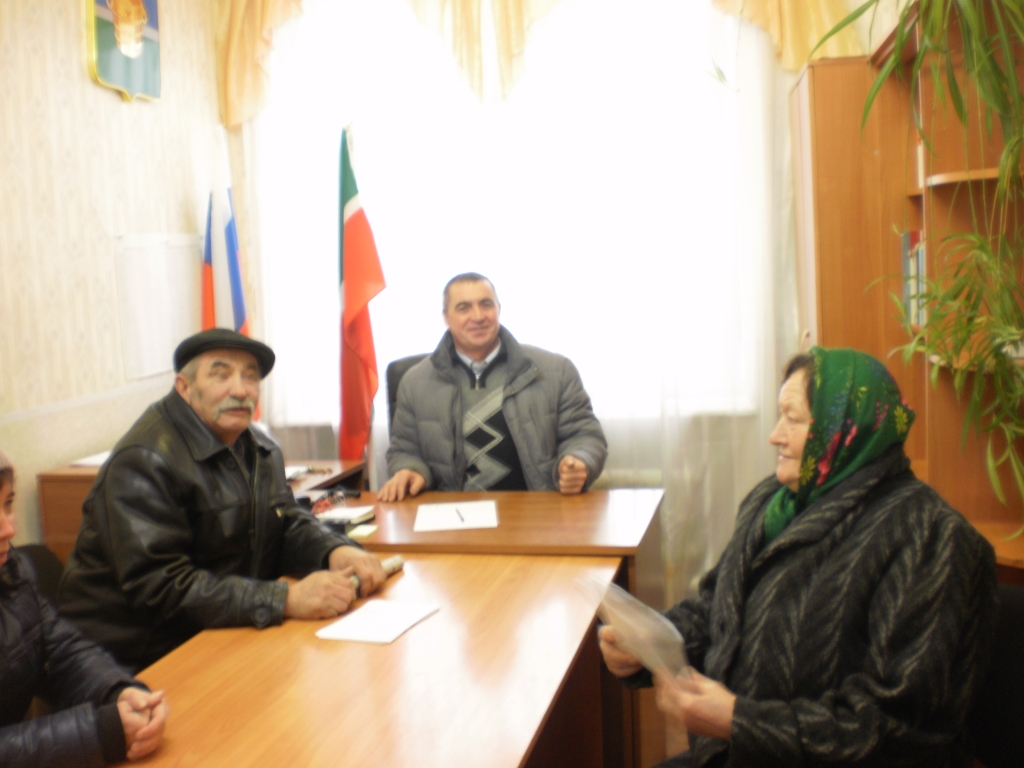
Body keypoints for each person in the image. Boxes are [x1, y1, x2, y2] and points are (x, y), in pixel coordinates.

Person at [599, 347, 997, 768]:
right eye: (779, 415)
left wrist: (740, 721)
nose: (775, 434)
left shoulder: (932, 537)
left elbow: (899, 728)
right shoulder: (772, 501)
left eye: (794, 418)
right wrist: (650, 643)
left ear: (844, 427)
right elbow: (719, 610)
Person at [58, 329, 387, 672]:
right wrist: (284, 600)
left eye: (250, 377)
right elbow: (160, 589)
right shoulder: (145, 460)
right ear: (184, 388)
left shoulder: (258, 446)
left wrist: (334, 550)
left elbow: (284, 521)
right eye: (221, 375)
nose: (240, 390)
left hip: (213, 633)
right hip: (129, 660)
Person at [0, 450, 169, 766]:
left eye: (7, 504)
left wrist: (118, 692)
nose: (8, 530)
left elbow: (63, 651)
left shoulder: (11, 569)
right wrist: (101, 732)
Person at [379, 273, 607, 501]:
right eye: (464, 308)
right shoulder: (414, 382)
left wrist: (580, 460)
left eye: (486, 305)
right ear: (446, 317)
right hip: (452, 514)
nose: (478, 316)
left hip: (537, 511)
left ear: (499, 309)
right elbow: (404, 450)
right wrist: (410, 469)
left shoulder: (556, 371)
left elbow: (584, 435)